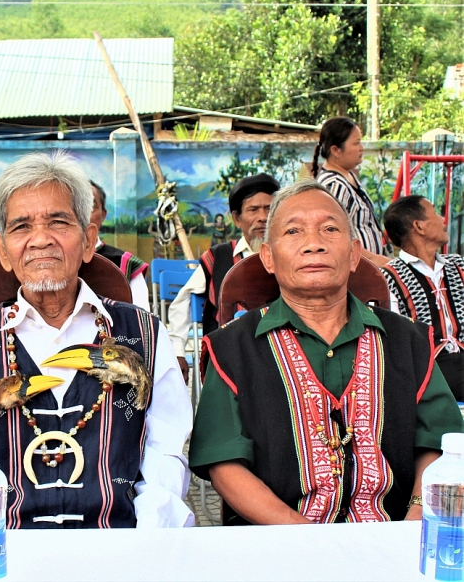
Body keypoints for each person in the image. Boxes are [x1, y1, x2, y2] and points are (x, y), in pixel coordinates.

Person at [0, 151, 194, 529]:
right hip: (1, 546)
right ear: (3, 250)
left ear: (89, 240)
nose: (40, 240)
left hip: (119, 542)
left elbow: (166, 458)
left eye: (58, 222)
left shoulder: (145, 334)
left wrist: (142, 546)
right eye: (21, 227)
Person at [189, 181, 464, 525]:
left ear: (354, 254)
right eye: (293, 231)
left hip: (395, 533)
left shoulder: (408, 340)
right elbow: (223, 464)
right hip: (279, 540)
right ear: (268, 257)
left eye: (330, 229)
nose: (314, 244)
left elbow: (442, 444)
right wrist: (307, 538)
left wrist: (415, 519)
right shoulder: (232, 348)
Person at [167, 173, 279, 379]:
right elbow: (183, 302)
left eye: (269, 209)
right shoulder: (218, 258)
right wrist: (178, 352)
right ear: (237, 219)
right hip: (227, 360)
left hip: (281, 358)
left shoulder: (290, 258)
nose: (263, 217)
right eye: (253, 210)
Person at [381, 195, 464, 401]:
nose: (443, 220)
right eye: (435, 213)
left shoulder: (458, 266)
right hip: (428, 372)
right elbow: (396, 343)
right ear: (419, 226)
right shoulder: (390, 277)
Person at [312, 116, 391, 266]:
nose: (361, 148)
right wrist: (372, 259)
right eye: (356, 143)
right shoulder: (334, 185)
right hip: (357, 269)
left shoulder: (347, 176)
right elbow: (331, 236)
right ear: (336, 150)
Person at [88, 180, 150, 310]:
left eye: (90, 205)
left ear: (103, 215)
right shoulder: (49, 259)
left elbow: (140, 318)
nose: (82, 213)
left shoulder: (126, 265)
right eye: (75, 206)